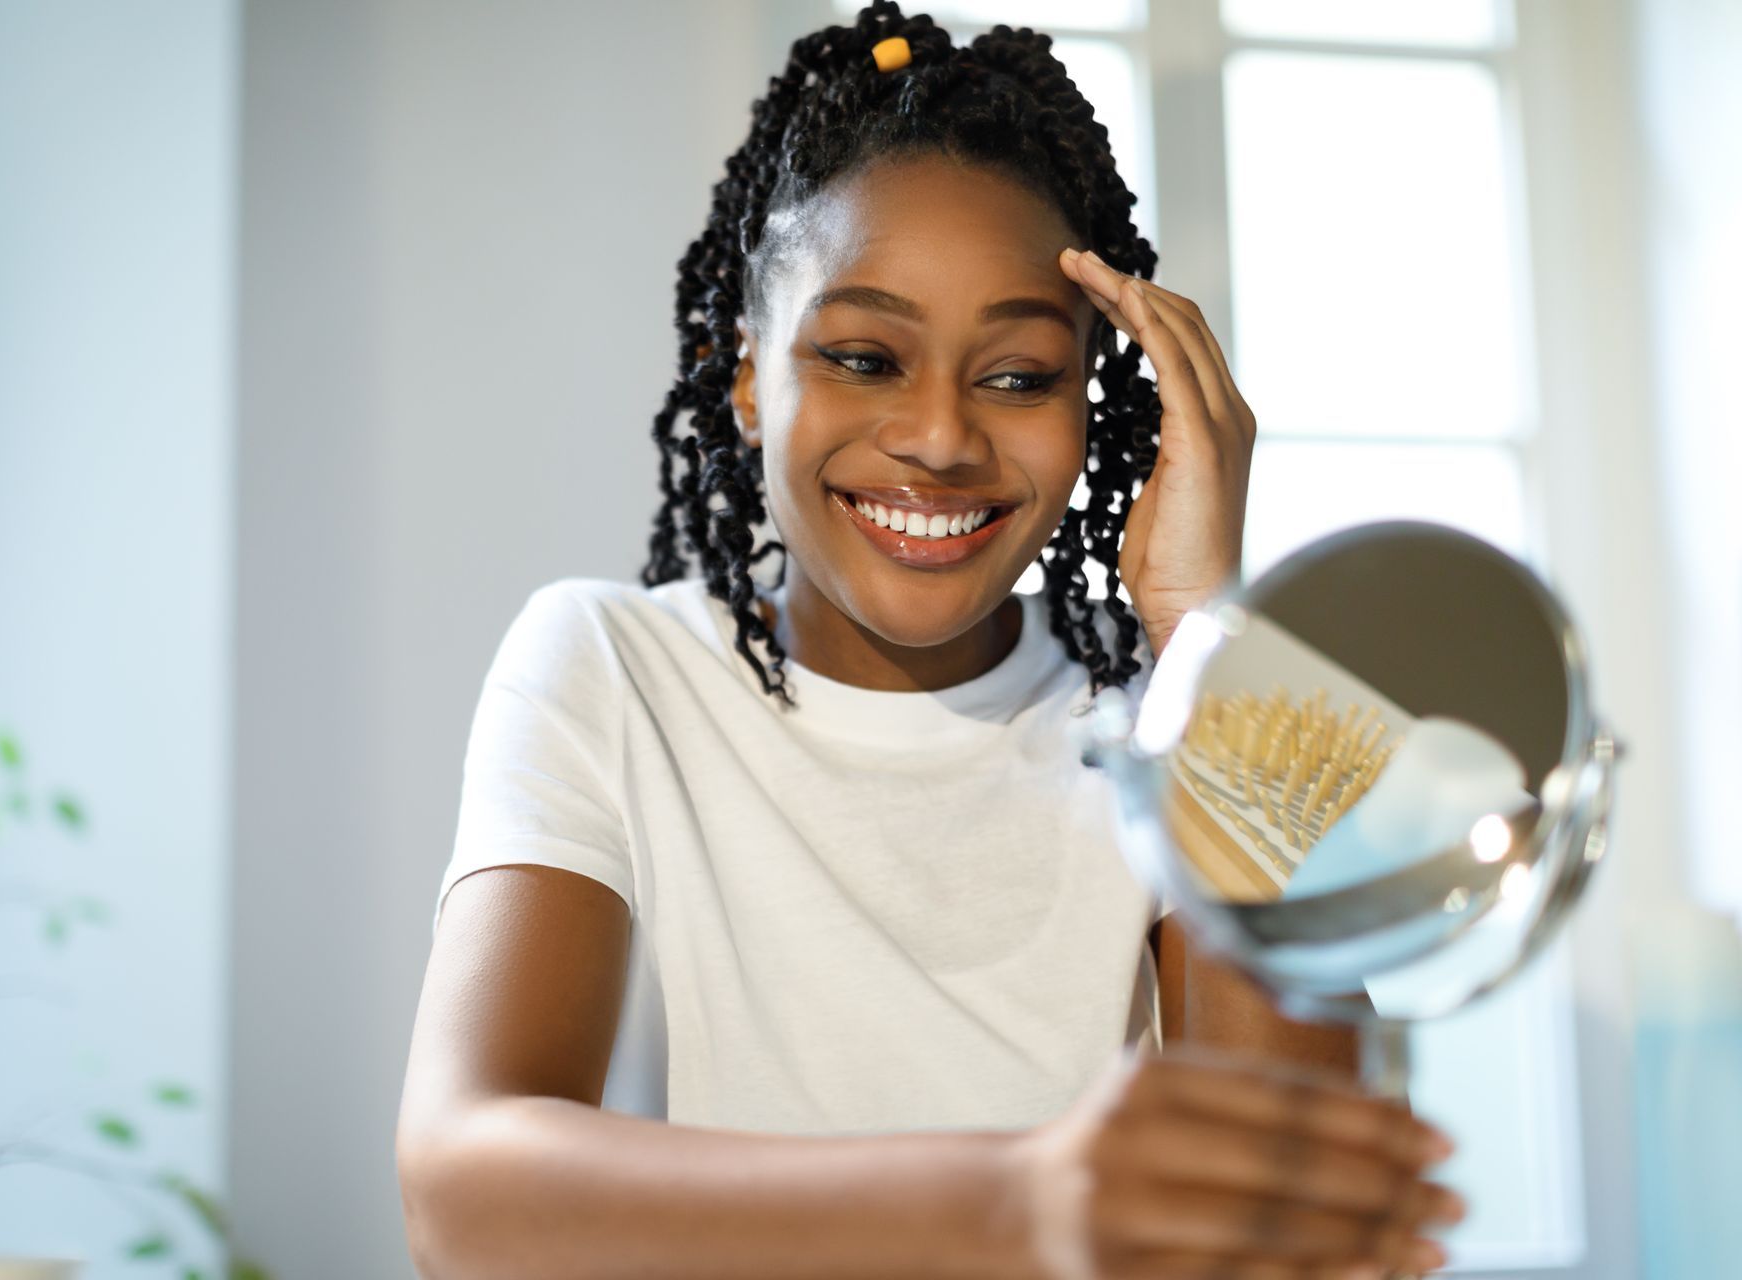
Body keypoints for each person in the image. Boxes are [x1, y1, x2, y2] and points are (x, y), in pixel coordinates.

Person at [397, 4, 1463, 1276]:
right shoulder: (611, 664)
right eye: (863, 355)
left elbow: (1302, 1221)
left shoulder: (1179, 709)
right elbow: (464, 1189)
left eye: (1017, 375)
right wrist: (1012, 1199)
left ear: (1099, 401)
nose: (946, 437)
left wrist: (1205, 636)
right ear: (743, 374)